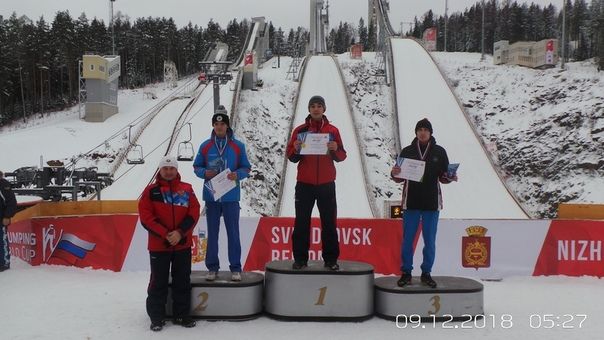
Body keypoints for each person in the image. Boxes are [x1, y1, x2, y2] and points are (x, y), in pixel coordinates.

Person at [391, 118, 457, 288]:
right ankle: (406, 272)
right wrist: (394, 172)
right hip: (411, 202)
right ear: (416, 132)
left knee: (429, 240)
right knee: (407, 240)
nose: (422, 132)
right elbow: (398, 177)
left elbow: (443, 177)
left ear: (430, 132)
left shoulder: (439, 152)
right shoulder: (407, 151)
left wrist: (450, 177)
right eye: (419, 129)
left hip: (431, 203)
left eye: (425, 130)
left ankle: (426, 273)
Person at [139, 156, 200, 331]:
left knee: (182, 280)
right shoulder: (151, 191)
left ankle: (181, 314)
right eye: (165, 168)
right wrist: (166, 234)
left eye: (171, 168)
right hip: (159, 245)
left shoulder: (187, 189)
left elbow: (194, 213)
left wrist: (180, 233)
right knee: (158, 281)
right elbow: (146, 217)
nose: (168, 171)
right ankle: (157, 317)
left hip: (182, 244)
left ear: (176, 170)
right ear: (160, 170)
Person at [286, 95, 347, 271]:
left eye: (319, 105)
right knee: (301, 223)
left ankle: (330, 260)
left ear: (324, 109)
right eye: (313, 106)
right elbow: (291, 157)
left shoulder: (333, 130)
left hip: (327, 184)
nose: (316, 109)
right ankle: (300, 259)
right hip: (305, 184)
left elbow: (342, 155)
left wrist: (335, 149)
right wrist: (296, 149)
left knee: (329, 222)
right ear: (309, 109)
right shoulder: (300, 130)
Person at [193, 105, 251, 282]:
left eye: (222, 124)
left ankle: (235, 268)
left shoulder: (237, 146)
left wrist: (237, 175)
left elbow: (246, 167)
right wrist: (205, 173)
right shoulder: (205, 146)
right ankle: (212, 267)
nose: (219, 127)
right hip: (212, 197)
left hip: (231, 196)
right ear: (213, 126)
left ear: (227, 126)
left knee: (233, 233)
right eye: (216, 124)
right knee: (213, 232)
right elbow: (197, 166)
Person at [0, 171, 17, 272]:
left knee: (2, 242)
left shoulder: (3, 184)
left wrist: (7, 216)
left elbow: (11, 202)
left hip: (1, 219)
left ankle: (4, 264)